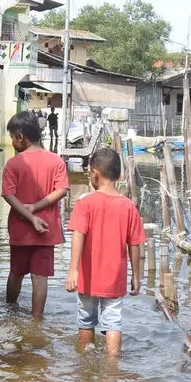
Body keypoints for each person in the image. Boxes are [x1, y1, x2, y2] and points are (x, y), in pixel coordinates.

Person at [64, 148, 146, 355]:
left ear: (94, 173)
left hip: (88, 277)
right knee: (113, 323)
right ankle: (112, 365)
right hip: (114, 279)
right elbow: (134, 245)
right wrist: (136, 276)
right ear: (119, 175)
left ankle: (85, 358)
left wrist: (73, 270)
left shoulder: (84, 203)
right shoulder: (128, 207)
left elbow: (78, 235)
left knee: (85, 321)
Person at [2, 111, 69, 318]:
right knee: (40, 278)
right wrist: (37, 208)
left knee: (16, 273)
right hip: (46, 230)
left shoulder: (14, 163)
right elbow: (63, 190)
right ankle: (37, 320)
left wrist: (29, 214)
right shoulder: (56, 161)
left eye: (12, 137)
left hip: (21, 230)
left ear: (20, 137)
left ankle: (10, 312)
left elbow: (8, 195)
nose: (12, 142)